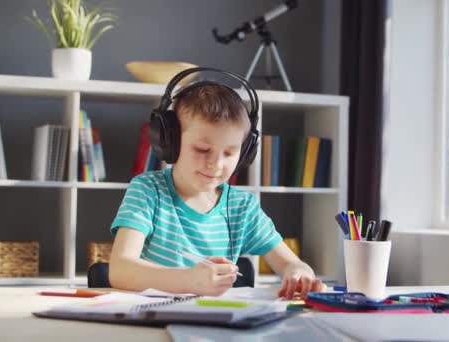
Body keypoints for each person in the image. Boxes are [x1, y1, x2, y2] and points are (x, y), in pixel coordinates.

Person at [109, 68, 325, 299]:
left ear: (244, 154)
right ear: (170, 140)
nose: (216, 164)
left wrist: (298, 272)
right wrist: (189, 281)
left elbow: (291, 263)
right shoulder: (148, 190)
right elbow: (121, 270)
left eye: (230, 153)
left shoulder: (242, 207)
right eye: (202, 149)